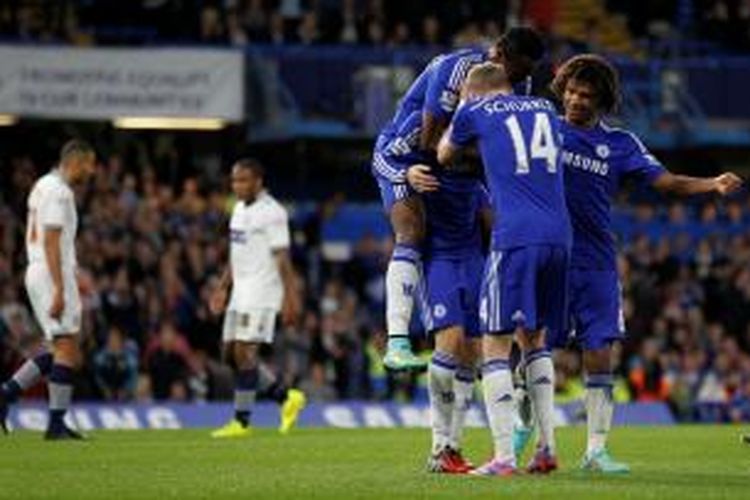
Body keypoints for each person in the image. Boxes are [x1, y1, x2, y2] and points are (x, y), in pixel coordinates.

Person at [548, 54, 743, 472]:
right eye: (572, 91)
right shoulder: (543, 129)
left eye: (586, 94)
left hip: (596, 262)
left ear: (601, 100)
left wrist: (712, 183)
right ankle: (531, 443)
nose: (577, 99)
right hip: (547, 255)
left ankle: (596, 451)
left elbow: (667, 182)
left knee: (600, 352)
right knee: (534, 350)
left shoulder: (620, 144)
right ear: (562, 90)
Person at [374, 27, 545, 372]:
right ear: (497, 53)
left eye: (523, 76)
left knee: (497, 227)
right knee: (412, 232)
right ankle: (397, 342)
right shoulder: (455, 69)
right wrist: (408, 174)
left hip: (457, 165)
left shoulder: (519, 86)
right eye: (512, 71)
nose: (513, 83)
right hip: (410, 158)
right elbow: (429, 142)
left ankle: (510, 359)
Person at [438, 62, 570, 476]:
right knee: (535, 338)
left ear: (474, 92)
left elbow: (444, 153)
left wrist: (461, 116)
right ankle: (546, 449)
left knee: (494, 342)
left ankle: (503, 457)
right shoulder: (545, 108)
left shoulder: (472, 110)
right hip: (559, 235)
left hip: (515, 236)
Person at [0, 139, 96, 439]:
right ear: (75, 162)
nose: (91, 172)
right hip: (50, 272)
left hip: (39, 269)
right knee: (66, 349)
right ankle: (55, 424)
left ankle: (7, 393)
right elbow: (51, 241)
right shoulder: (60, 192)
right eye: (89, 164)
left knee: (61, 349)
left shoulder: (42, 185)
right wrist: (58, 287)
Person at [208, 158, 306, 438]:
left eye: (242, 180)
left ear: (258, 182)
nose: (236, 186)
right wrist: (222, 287)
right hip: (240, 290)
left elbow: (282, 258)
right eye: (234, 181)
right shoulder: (237, 209)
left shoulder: (272, 212)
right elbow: (235, 253)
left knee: (244, 351)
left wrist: (291, 297)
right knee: (229, 354)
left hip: (263, 291)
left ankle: (241, 422)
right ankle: (285, 397)